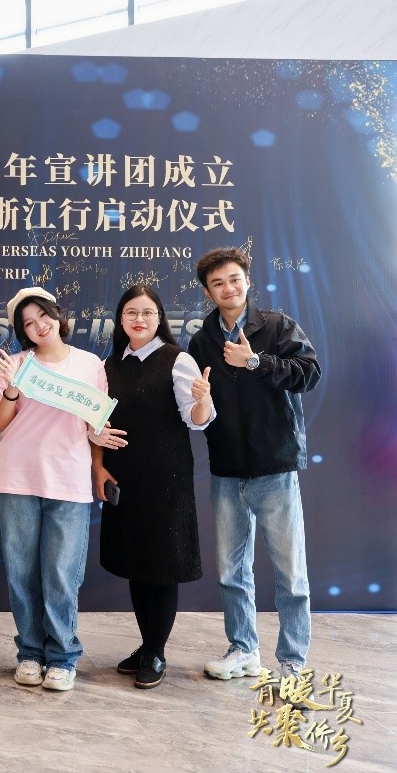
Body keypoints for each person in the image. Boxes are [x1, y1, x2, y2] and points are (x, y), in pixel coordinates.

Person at [188, 247, 321, 682]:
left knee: (290, 573)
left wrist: (256, 362)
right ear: (207, 292)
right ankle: (243, 649)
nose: (228, 288)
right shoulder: (202, 340)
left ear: (247, 280)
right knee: (231, 571)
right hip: (227, 469)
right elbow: (199, 404)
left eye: (234, 279)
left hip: (274, 466)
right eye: (217, 283)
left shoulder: (278, 326)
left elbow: (310, 374)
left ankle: (293, 661)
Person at [91, 285, 214, 689]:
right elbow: (97, 422)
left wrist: (203, 399)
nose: (139, 319)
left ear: (160, 318)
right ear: (120, 319)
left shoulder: (177, 360)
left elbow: (196, 419)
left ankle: (156, 652)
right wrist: (98, 463)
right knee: (137, 565)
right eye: (131, 312)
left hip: (166, 480)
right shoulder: (110, 365)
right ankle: (147, 645)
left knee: (161, 567)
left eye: (147, 312)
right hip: (124, 479)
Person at [0, 287, 107, 692]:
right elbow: (0, 422)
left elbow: (96, 420)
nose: (39, 326)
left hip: (69, 479)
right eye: (28, 323)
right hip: (17, 477)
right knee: (22, 573)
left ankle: (61, 657)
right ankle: (29, 653)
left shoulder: (90, 364)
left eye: (43, 316)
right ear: (22, 331)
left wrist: (99, 450)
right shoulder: (17, 364)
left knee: (60, 574)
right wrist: (11, 388)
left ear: (57, 315)